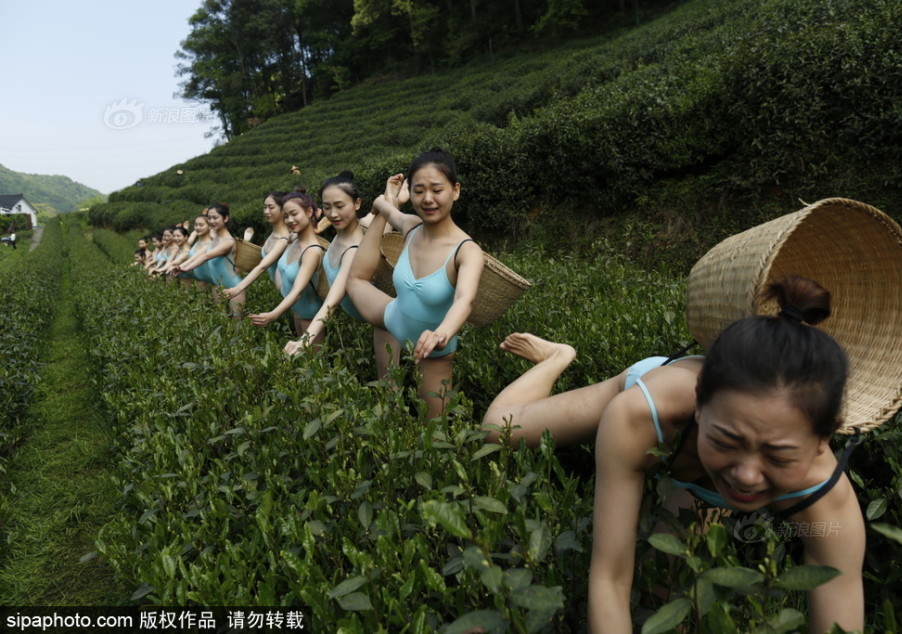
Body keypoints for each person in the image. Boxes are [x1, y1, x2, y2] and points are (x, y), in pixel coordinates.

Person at [483, 276, 864, 632]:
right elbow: (610, 577)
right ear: (699, 406)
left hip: (704, 479)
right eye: (726, 441)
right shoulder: (639, 414)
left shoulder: (826, 500)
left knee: (660, 593)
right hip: (656, 397)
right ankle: (557, 357)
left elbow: (840, 599)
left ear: (823, 440)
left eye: (778, 456)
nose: (747, 475)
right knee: (499, 430)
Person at [346, 149, 484, 417]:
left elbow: (464, 300)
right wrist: (384, 203)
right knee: (355, 280)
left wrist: (440, 334)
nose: (427, 199)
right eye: (419, 191)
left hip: (433, 349)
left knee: (432, 431)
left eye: (437, 190)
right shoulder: (410, 226)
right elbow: (385, 210)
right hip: (394, 316)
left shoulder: (466, 251)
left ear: (455, 191)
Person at [283, 172, 400, 379]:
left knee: (390, 387)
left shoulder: (353, 251)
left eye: (339, 206)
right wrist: (391, 194)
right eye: (327, 207)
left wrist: (305, 339)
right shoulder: (359, 227)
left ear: (357, 203)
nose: (333, 214)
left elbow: (332, 302)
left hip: (386, 323)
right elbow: (381, 217)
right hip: (378, 319)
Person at [248, 190, 325, 335]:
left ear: (309, 212)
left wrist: (273, 314)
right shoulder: (293, 239)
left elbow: (297, 291)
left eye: (294, 214)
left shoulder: (311, 251)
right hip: (296, 311)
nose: (289, 220)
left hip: (310, 315)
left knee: (311, 351)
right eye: (286, 216)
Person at [170, 204, 245, 314]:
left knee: (235, 322)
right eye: (209, 218)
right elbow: (206, 231)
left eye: (215, 218)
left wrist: (185, 268)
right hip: (219, 286)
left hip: (235, 288)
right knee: (220, 317)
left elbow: (205, 256)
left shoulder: (228, 241)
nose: (211, 221)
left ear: (225, 218)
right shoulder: (215, 237)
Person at [223, 192, 292, 300]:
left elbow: (262, 266)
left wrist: (238, 288)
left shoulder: (284, 238)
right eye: (265, 207)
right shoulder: (273, 234)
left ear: (283, 209)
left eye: (271, 207)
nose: (266, 211)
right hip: (285, 296)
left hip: (292, 296)